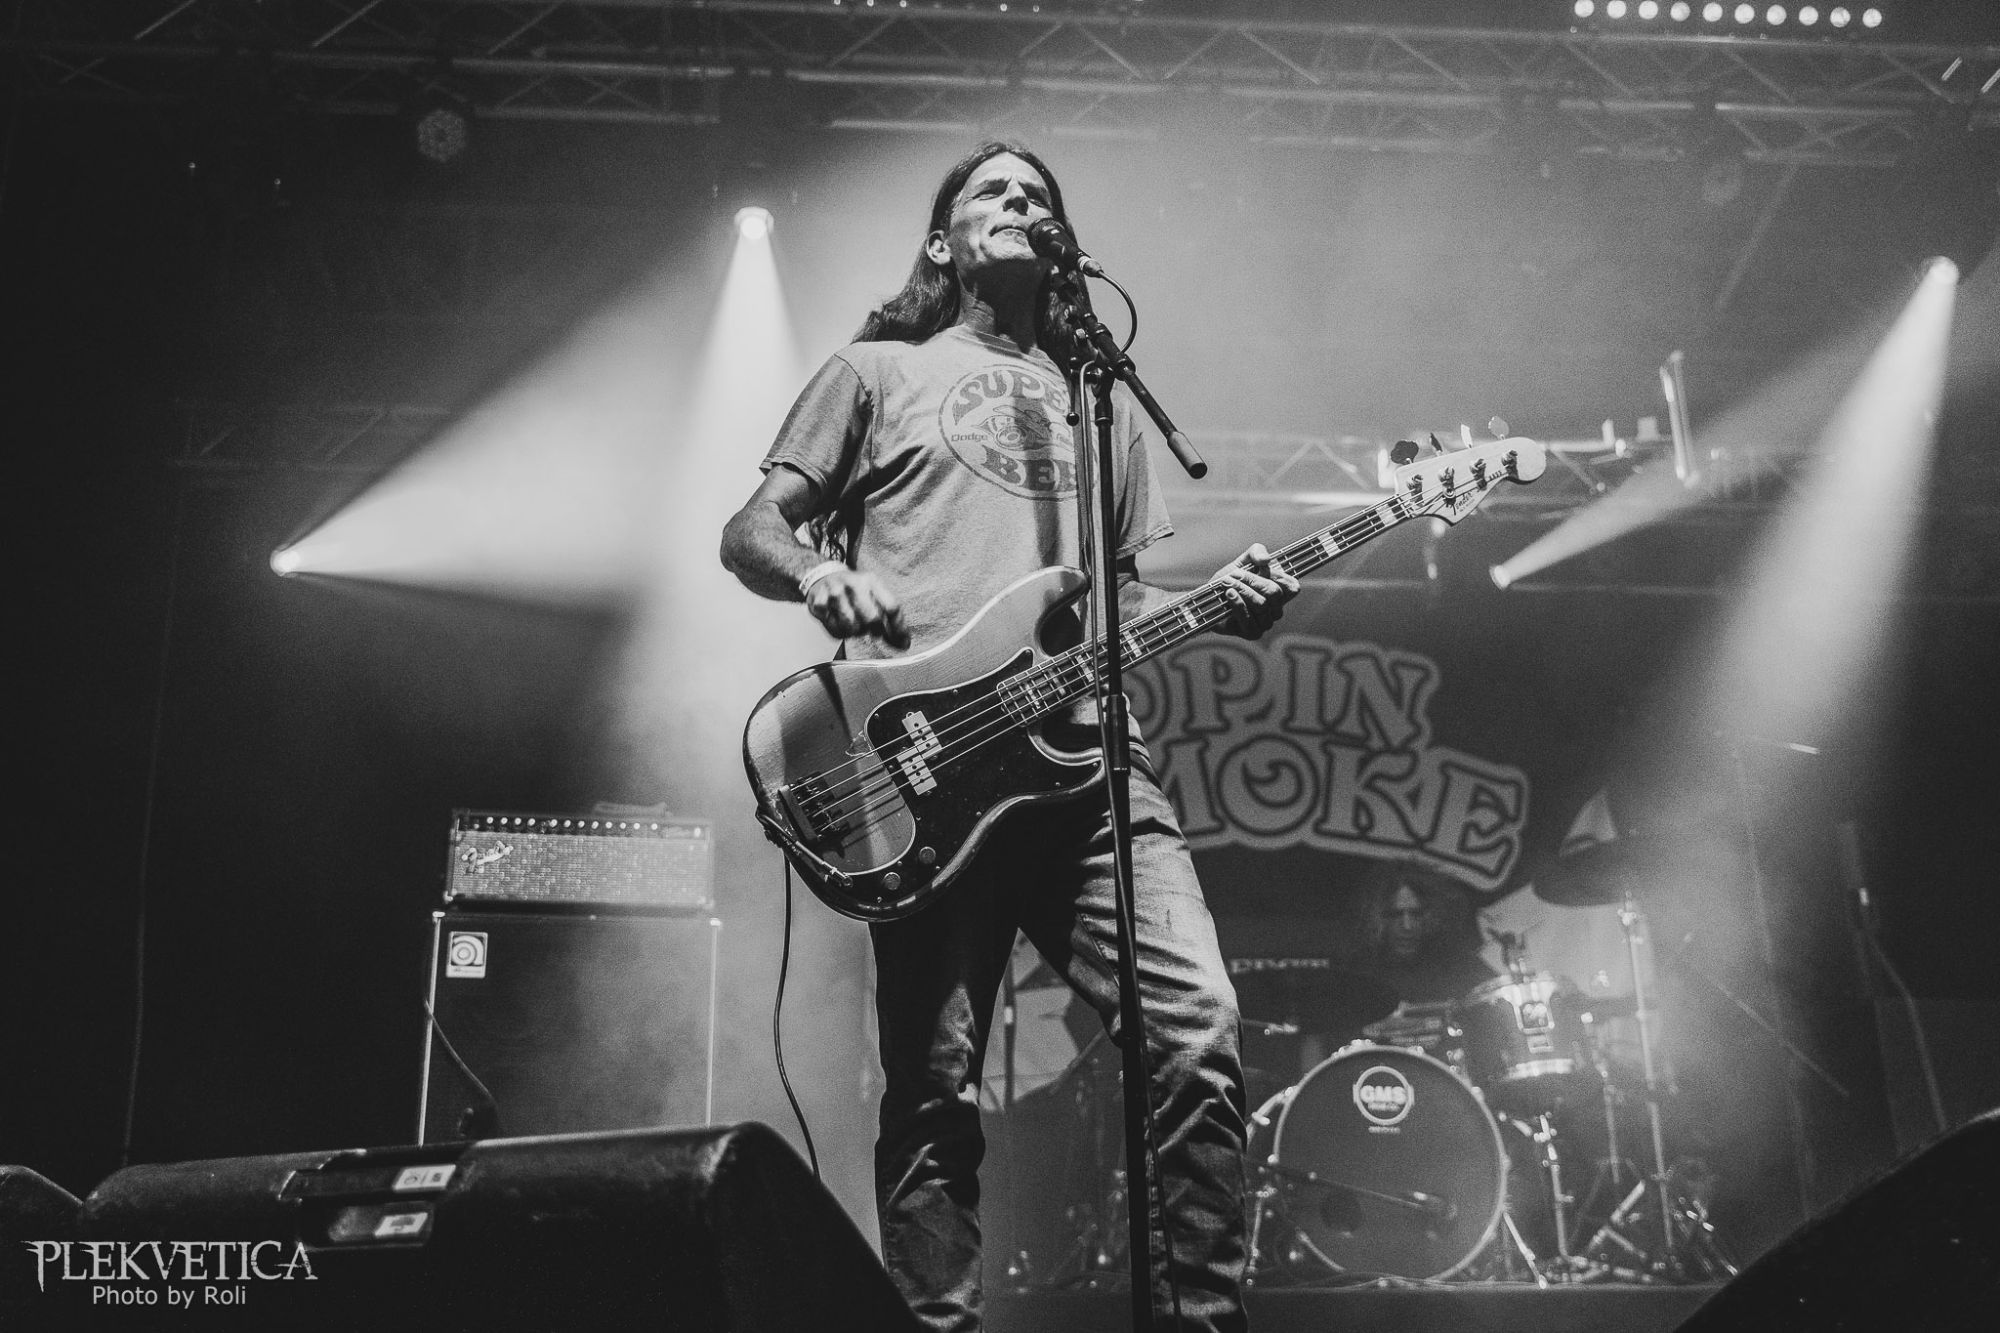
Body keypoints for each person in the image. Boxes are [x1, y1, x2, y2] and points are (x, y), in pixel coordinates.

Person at [719, 141, 1298, 1333]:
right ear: (943, 243)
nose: (1021, 200)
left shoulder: (1098, 405)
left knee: (1196, 1029)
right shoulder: (877, 370)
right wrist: (818, 574)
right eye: (993, 190)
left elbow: (1118, 602)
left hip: (1092, 771)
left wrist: (1219, 603)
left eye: (1038, 194)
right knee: (933, 1092)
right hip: (927, 775)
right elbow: (751, 528)